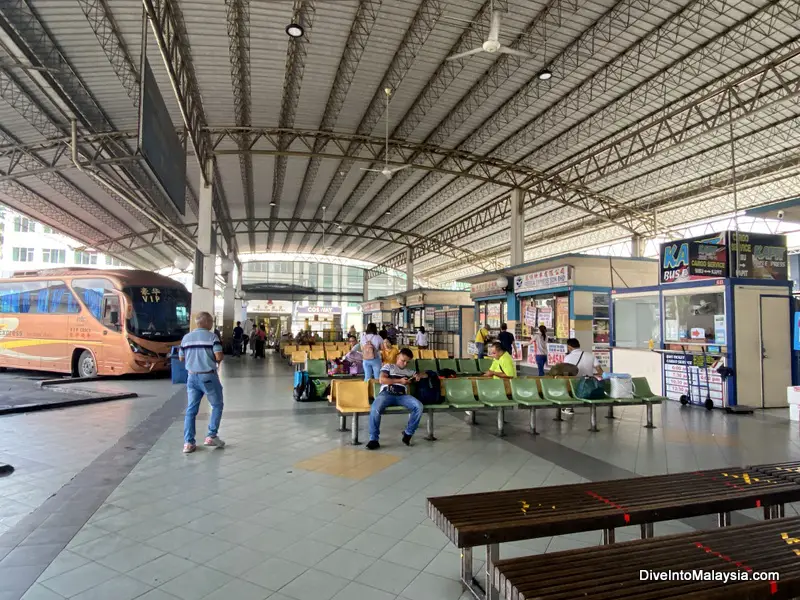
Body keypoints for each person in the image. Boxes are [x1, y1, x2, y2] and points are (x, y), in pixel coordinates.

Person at [178, 312, 225, 454]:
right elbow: (218, 356)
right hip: (208, 377)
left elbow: (181, 358)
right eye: (211, 321)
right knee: (217, 404)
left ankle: (188, 443)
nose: (212, 324)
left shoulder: (186, 338)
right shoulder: (212, 337)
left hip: (192, 377)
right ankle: (211, 435)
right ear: (206, 322)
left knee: (191, 410)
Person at [367, 348, 426, 450]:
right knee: (375, 408)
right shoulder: (389, 367)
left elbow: (424, 374)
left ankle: (408, 433)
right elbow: (382, 380)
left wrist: (418, 375)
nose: (405, 364)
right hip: (386, 394)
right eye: (403, 360)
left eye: (407, 362)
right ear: (398, 356)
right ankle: (373, 439)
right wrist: (400, 381)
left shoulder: (409, 371)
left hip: (402, 396)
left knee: (418, 406)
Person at [561, 338, 603, 415]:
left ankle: (569, 407)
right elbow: (600, 371)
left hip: (574, 386)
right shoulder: (590, 355)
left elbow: (565, 373)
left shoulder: (567, 358)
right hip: (590, 386)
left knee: (565, 381)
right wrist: (591, 375)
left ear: (569, 347)